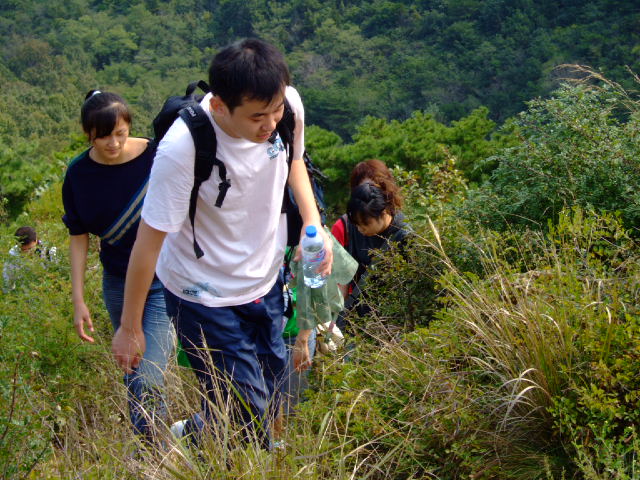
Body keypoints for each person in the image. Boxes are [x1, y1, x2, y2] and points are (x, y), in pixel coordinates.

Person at [111, 38, 332, 449]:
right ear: (219, 106)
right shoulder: (183, 148)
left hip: (264, 281)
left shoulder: (287, 107)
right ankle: (243, 461)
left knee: (269, 389)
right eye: (257, 117)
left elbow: (295, 162)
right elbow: (148, 243)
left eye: (275, 110)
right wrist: (129, 327)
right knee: (250, 413)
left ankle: (194, 431)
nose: (270, 124)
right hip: (202, 293)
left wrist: (312, 223)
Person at [61, 90, 173, 441]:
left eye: (120, 134)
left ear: (129, 127)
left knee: (149, 374)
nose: (113, 143)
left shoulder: (156, 156)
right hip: (118, 281)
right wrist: (78, 299)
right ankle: (148, 449)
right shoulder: (79, 174)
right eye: (103, 136)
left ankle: (154, 451)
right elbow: (78, 236)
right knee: (132, 367)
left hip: (162, 279)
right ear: (88, 134)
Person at [331, 160, 410, 323]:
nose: (360, 229)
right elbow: (343, 277)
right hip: (357, 315)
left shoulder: (404, 235)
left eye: (365, 224)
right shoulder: (351, 224)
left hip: (391, 318)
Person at [3, 226, 57, 291]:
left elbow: (58, 274)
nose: (27, 253)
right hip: (26, 293)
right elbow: (8, 278)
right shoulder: (13, 254)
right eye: (23, 250)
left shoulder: (50, 251)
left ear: (36, 240)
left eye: (30, 249)